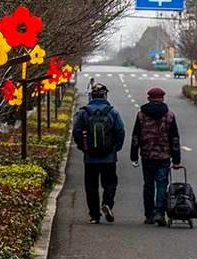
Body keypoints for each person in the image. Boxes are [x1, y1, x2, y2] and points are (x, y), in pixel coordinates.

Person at [72, 82, 125, 224]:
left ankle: (94, 215)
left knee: (91, 186)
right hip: (109, 157)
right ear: (105, 95)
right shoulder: (112, 112)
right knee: (110, 183)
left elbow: (76, 131)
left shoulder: (83, 112)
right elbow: (120, 131)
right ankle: (107, 203)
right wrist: (116, 148)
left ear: (92, 96)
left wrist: (83, 147)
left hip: (90, 158)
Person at [130, 87, 181, 227]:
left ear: (149, 98)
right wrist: (176, 160)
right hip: (164, 156)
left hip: (147, 155)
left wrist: (133, 156)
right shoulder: (169, 115)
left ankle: (149, 214)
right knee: (162, 184)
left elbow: (136, 137)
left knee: (148, 185)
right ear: (163, 98)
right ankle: (160, 212)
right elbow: (174, 139)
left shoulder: (141, 115)